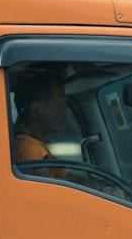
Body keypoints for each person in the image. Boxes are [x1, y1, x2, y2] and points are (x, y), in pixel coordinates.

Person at [11, 66, 125, 198]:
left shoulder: (27, 143)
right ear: (37, 109)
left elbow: (66, 178)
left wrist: (101, 189)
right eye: (60, 105)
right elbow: (49, 199)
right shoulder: (33, 151)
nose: (65, 112)